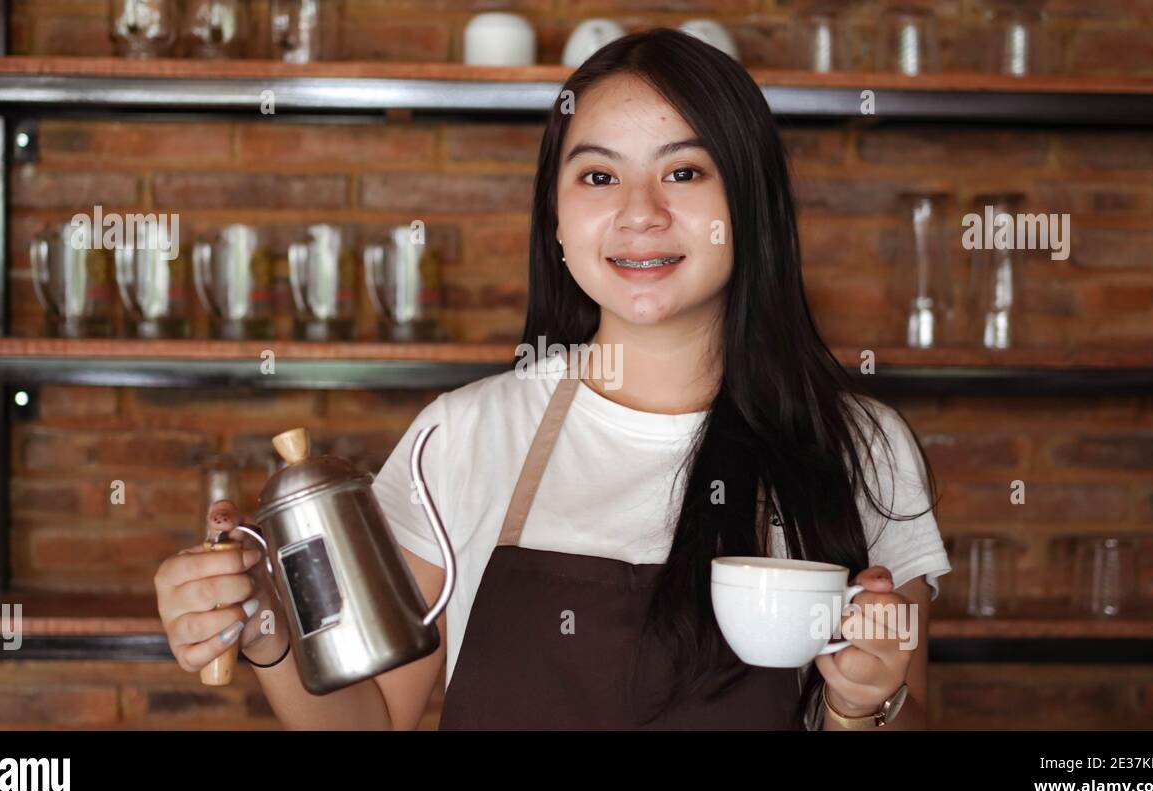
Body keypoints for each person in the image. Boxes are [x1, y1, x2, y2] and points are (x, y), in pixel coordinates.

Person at [154, 27, 952, 730]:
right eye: (598, 178)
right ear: (557, 219)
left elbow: (906, 716)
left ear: (749, 202)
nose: (639, 212)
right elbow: (371, 720)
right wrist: (264, 629)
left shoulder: (859, 446)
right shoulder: (464, 435)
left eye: (684, 173)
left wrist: (864, 703)